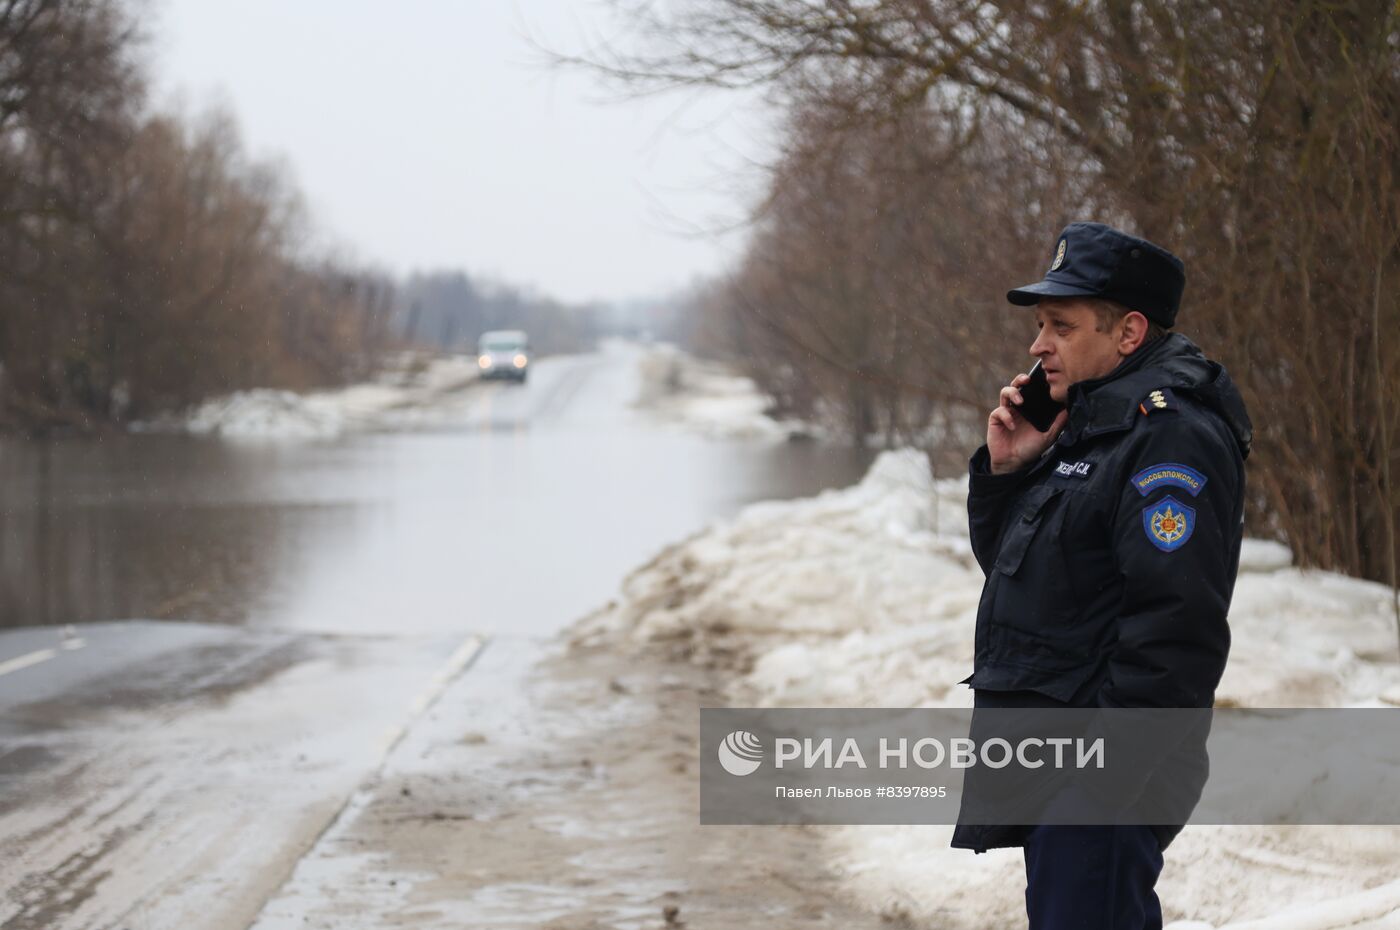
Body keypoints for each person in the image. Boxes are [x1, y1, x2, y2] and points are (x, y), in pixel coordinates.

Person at [949, 222, 1253, 929]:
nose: (1037, 345)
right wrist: (1008, 471)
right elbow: (1027, 580)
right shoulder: (1092, 423)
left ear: (1127, 333)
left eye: (1060, 325)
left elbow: (1178, 629)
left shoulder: (1169, 435)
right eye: (1039, 324)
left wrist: (1105, 782)